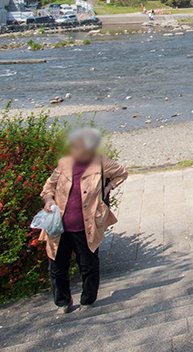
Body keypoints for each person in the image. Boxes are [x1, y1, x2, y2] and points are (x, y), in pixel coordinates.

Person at [40, 128, 128, 314]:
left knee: (88, 266)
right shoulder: (64, 164)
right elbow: (48, 186)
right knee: (57, 267)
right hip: (59, 227)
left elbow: (122, 173)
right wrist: (48, 199)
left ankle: (88, 301)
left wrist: (108, 187)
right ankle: (63, 303)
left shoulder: (101, 163)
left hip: (86, 226)